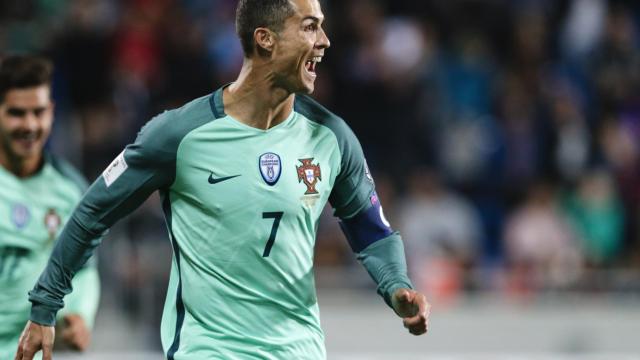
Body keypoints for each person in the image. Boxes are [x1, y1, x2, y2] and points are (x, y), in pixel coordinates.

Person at [16, 0, 430, 358]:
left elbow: (370, 229)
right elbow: (92, 211)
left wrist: (396, 286)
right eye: (309, 27)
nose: (324, 41)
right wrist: (45, 305)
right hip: (209, 349)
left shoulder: (331, 137)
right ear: (265, 39)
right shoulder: (179, 134)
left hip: (299, 350)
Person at [0, 55, 100, 359]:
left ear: (52, 113)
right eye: (17, 113)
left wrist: (80, 314)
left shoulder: (69, 189)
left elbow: (84, 268)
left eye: (38, 112)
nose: (30, 125)